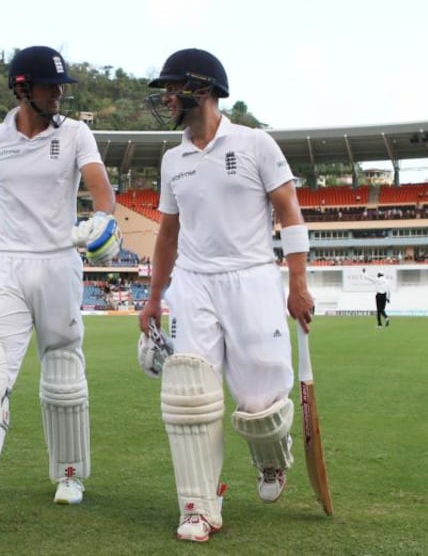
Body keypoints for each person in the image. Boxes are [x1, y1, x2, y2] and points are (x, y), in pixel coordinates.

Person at [0, 45, 121, 526]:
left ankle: (70, 475)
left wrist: (103, 218)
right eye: (49, 86)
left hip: (59, 261)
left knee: (62, 370)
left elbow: (100, 186)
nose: (58, 94)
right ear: (22, 88)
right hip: (7, 265)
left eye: (61, 87)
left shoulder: (75, 133)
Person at [137, 48, 315, 543]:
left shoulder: (255, 143)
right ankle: (199, 505)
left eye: (174, 88)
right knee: (191, 393)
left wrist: (298, 283)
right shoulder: (173, 159)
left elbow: (290, 211)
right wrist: (154, 297)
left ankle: (271, 459)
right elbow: (168, 233)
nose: (167, 98)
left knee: (261, 403)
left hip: (252, 276)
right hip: (194, 282)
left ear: (204, 89)